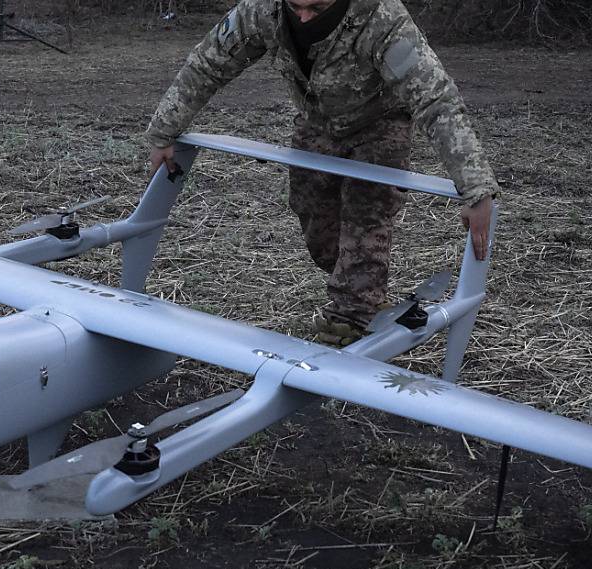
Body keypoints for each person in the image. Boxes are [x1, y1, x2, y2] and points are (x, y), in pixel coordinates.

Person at [147, 0, 497, 345]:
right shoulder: (261, 10)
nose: (302, 16)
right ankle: (364, 291)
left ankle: (348, 322)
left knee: (365, 221)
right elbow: (209, 63)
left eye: (316, 9)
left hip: (380, 126)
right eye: (296, 7)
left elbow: (437, 100)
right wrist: (164, 130)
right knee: (316, 221)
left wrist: (475, 187)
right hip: (315, 123)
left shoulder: (382, 19)